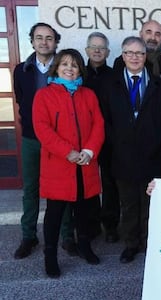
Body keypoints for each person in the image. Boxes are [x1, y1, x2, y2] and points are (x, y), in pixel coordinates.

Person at [32, 49, 105, 278]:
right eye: (65, 64)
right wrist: (68, 152)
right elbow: (42, 129)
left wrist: (88, 151)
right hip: (59, 166)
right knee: (54, 214)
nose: (69, 69)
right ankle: (50, 256)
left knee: (84, 211)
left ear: (79, 69)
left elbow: (98, 125)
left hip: (85, 164)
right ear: (57, 68)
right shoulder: (44, 95)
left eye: (74, 65)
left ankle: (84, 246)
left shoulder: (88, 95)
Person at [100, 36, 161, 264]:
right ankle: (131, 244)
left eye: (139, 53)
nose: (134, 57)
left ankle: (150, 242)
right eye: (129, 53)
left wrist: (157, 143)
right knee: (129, 204)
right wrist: (119, 143)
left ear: (145, 57)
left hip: (153, 154)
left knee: (150, 203)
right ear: (122, 56)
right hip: (122, 155)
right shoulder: (111, 85)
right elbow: (106, 121)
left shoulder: (160, 85)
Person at [12, 22, 76, 259]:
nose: (44, 42)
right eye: (39, 38)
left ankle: (67, 236)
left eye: (49, 38)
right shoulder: (21, 70)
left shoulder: (64, 67)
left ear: (55, 42)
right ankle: (28, 235)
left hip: (61, 142)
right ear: (32, 41)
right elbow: (22, 101)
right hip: (32, 139)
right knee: (31, 188)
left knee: (63, 189)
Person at [83, 32, 120, 243]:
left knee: (109, 182)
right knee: (87, 181)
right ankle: (90, 223)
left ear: (107, 52)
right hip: (82, 137)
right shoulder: (79, 73)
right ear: (87, 50)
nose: (97, 51)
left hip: (108, 136)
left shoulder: (114, 75)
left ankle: (110, 224)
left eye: (101, 47)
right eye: (93, 47)